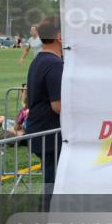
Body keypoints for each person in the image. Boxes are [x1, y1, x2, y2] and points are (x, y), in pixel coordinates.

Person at [26, 16, 64, 201]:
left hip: (40, 130)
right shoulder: (55, 64)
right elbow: (58, 106)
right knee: (54, 184)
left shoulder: (39, 60)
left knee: (52, 181)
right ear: (59, 37)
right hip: (50, 134)